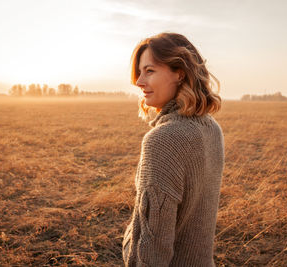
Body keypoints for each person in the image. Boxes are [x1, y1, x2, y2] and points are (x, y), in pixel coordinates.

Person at [122, 32, 225, 266]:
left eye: (149, 71)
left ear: (179, 73)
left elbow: (153, 252)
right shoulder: (212, 128)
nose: (139, 81)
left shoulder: (163, 141)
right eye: (139, 72)